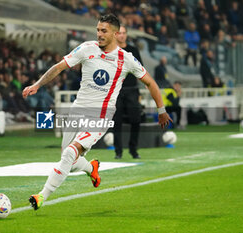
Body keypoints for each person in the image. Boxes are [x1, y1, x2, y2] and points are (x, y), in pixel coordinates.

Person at [22, 14, 172, 211]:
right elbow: (59, 67)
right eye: (98, 30)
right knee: (69, 160)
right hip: (77, 111)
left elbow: (150, 82)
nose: (99, 34)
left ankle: (42, 196)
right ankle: (90, 167)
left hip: (100, 116)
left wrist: (161, 110)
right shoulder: (87, 48)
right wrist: (37, 84)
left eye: (104, 31)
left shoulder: (126, 59)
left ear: (116, 34)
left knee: (69, 153)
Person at [113, 25, 143, 160]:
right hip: (116, 91)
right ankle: (118, 151)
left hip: (132, 90)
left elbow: (140, 70)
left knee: (136, 120)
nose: (122, 35)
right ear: (115, 35)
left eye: (124, 33)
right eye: (119, 33)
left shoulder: (133, 51)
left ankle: (133, 149)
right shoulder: (111, 51)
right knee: (116, 122)